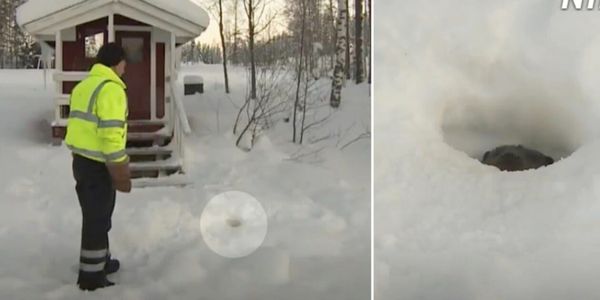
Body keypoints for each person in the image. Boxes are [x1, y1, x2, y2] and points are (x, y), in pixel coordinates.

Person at [64, 42, 132, 291]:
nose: (126, 67)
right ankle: (91, 277)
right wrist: (120, 167)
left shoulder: (83, 86)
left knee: (97, 215)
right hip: (99, 164)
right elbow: (111, 135)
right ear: (116, 62)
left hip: (81, 161)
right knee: (96, 219)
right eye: (124, 62)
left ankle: (102, 260)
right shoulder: (112, 90)